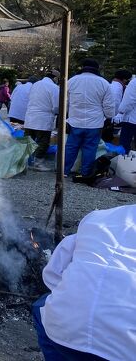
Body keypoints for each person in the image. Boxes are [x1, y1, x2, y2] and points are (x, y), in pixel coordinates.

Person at [32, 204, 136, 361]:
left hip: (63, 332)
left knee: (41, 306)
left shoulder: (98, 217)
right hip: (124, 349)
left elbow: (52, 274)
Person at [64, 59, 115, 178]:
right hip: (95, 123)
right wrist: (108, 116)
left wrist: (66, 114)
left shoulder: (71, 81)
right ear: (97, 69)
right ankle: (85, 173)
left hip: (75, 121)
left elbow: (64, 102)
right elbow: (109, 107)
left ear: (82, 67)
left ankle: (64, 171)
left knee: (71, 147)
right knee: (90, 149)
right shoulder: (104, 83)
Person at [24, 70, 60, 172]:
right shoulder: (54, 88)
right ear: (55, 78)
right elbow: (56, 106)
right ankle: (38, 163)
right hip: (43, 118)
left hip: (30, 116)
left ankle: (23, 162)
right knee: (43, 141)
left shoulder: (35, 84)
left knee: (28, 141)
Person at [103, 69, 132, 143]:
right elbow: (115, 104)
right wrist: (117, 116)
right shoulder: (117, 88)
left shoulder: (112, 85)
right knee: (110, 137)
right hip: (111, 118)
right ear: (125, 80)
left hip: (107, 117)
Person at [114, 76, 136, 152]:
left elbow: (129, 100)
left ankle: (124, 162)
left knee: (124, 147)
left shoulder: (134, 82)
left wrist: (121, 112)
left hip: (132, 119)